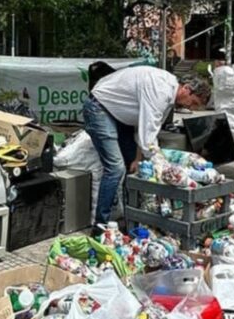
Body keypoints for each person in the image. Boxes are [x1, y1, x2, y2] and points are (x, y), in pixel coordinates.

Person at [83, 62, 210, 231]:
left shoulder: (168, 97)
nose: (190, 107)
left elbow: (145, 129)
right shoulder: (160, 90)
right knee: (115, 169)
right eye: (192, 102)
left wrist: (138, 158)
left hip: (119, 115)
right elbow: (147, 139)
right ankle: (100, 226)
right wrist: (163, 167)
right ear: (186, 89)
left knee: (134, 168)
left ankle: (132, 220)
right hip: (100, 107)